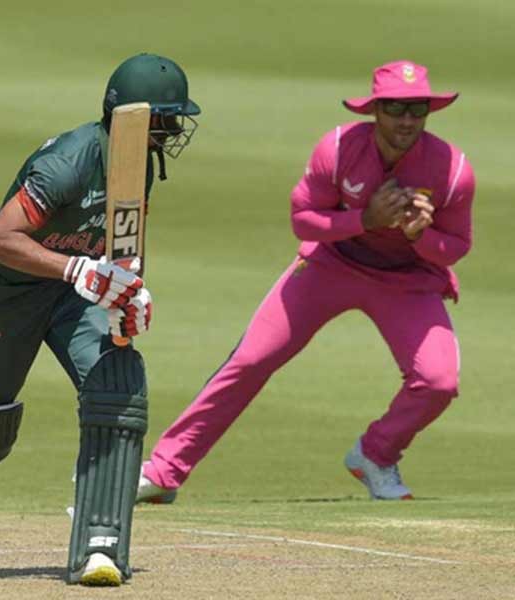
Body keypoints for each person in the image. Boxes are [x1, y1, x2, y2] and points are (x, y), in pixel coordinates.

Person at [0, 53, 200, 585]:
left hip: (74, 293)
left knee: (118, 387)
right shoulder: (68, 162)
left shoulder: (136, 162)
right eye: (167, 120)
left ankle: (99, 543)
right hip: (9, 290)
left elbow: (124, 244)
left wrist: (129, 296)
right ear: (133, 117)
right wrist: (76, 269)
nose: (174, 132)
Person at [137, 60, 475, 505]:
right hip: (330, 265)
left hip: (408, 279)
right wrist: (366, 220)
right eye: (395, 108)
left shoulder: (452, 169)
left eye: (417, 109)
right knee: (251, 360)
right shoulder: (337, 149)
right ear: (375, 110)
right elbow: (304, 221)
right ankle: (165, 470)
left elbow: (456, 248)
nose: (406, 120)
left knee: (438, 382)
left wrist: (419, 236)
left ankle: (375, 455)